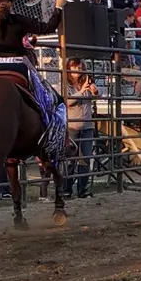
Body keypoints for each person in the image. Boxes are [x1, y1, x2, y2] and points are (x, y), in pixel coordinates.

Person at [0, 0, 66, 162]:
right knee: (54, 101)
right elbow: (46, 28)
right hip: (18, 67)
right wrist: (58, 8)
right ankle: (50, 144)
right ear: (9, 2)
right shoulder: (17, 20)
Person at [63, 58, 98, 199]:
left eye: (79, 67)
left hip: (87, 126)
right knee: (70, 160)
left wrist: (94, 91)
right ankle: (66, 190)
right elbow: (66, 102)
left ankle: (83, 189)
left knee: (85, 159)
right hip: (72, 127)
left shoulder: (87, 83)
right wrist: (81, 91)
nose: (77, 71)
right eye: (74, 67)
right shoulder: (65, 85)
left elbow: (97, 96)